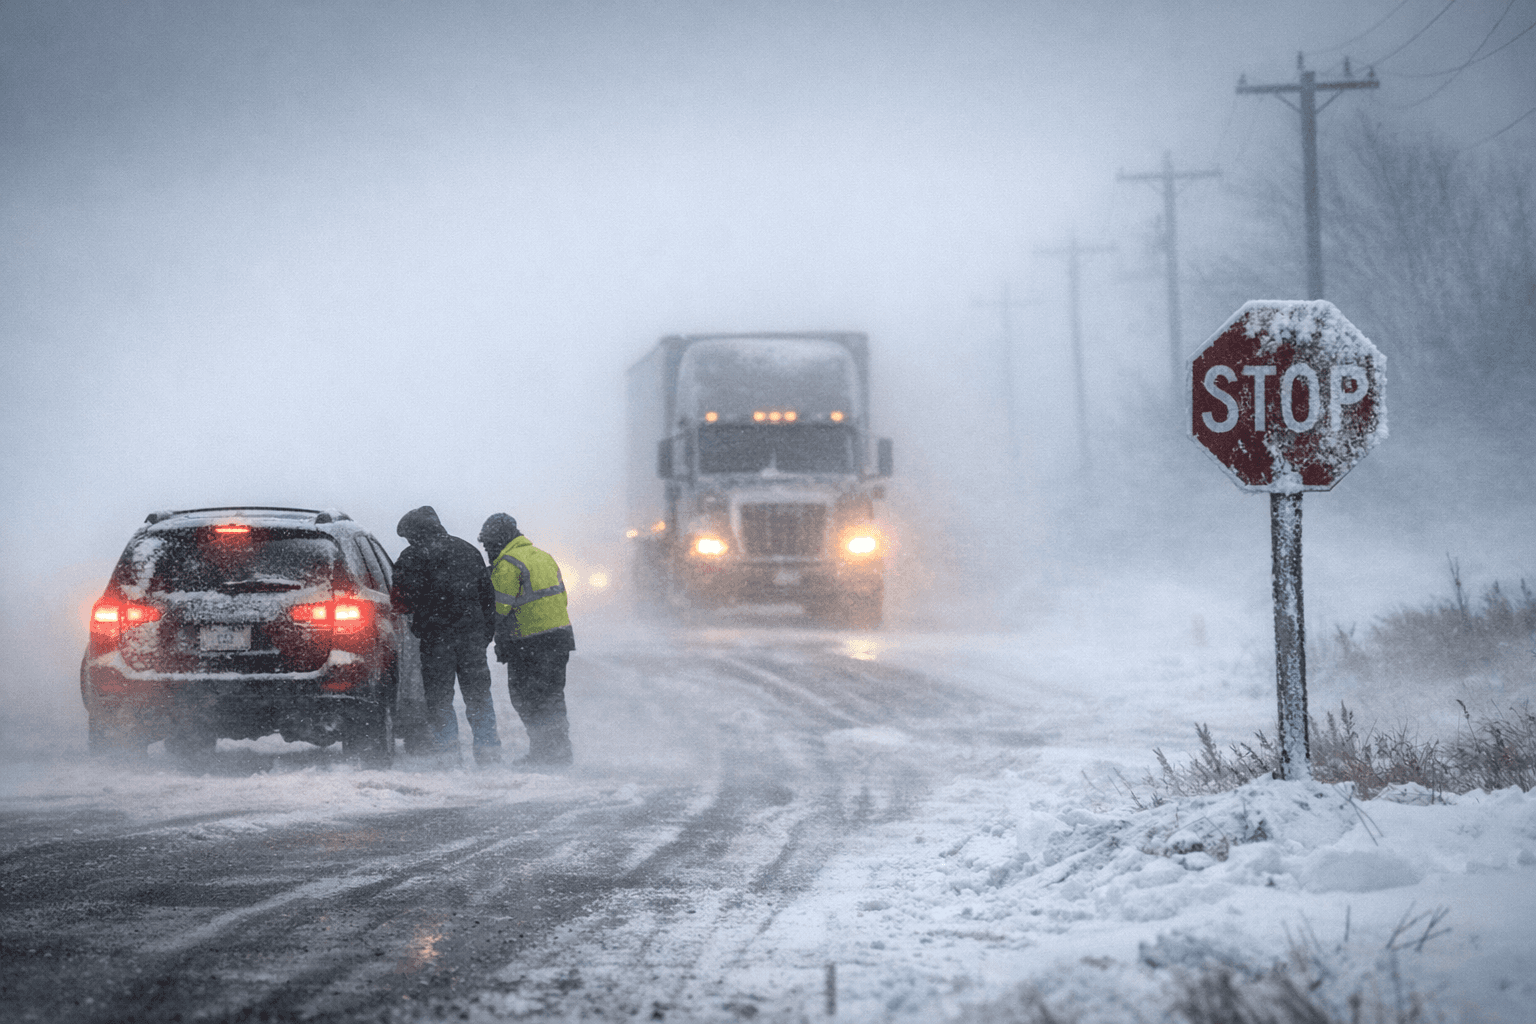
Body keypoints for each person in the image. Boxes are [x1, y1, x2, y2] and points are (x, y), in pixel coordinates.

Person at [392, 506, 501, 766]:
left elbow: (401, 604)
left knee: (439, 699)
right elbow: (488, 598)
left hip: (435, 640)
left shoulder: (411, 557)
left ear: (414, 533)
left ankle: (449, 755)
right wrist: (483, 634)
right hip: (472, 638)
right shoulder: (468, 551)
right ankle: (489, 754)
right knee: (478, 696)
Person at [478, 513, 575, 766]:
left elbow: (497, 610)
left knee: (527, 698)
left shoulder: (508, 564)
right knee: (552, 696)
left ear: (498, 540)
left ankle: (544, 753)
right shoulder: (543, 556)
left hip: (529, 643)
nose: (488, 549)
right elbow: (561, 598)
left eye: (488, 544)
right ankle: (559, 752)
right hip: (559, 638)